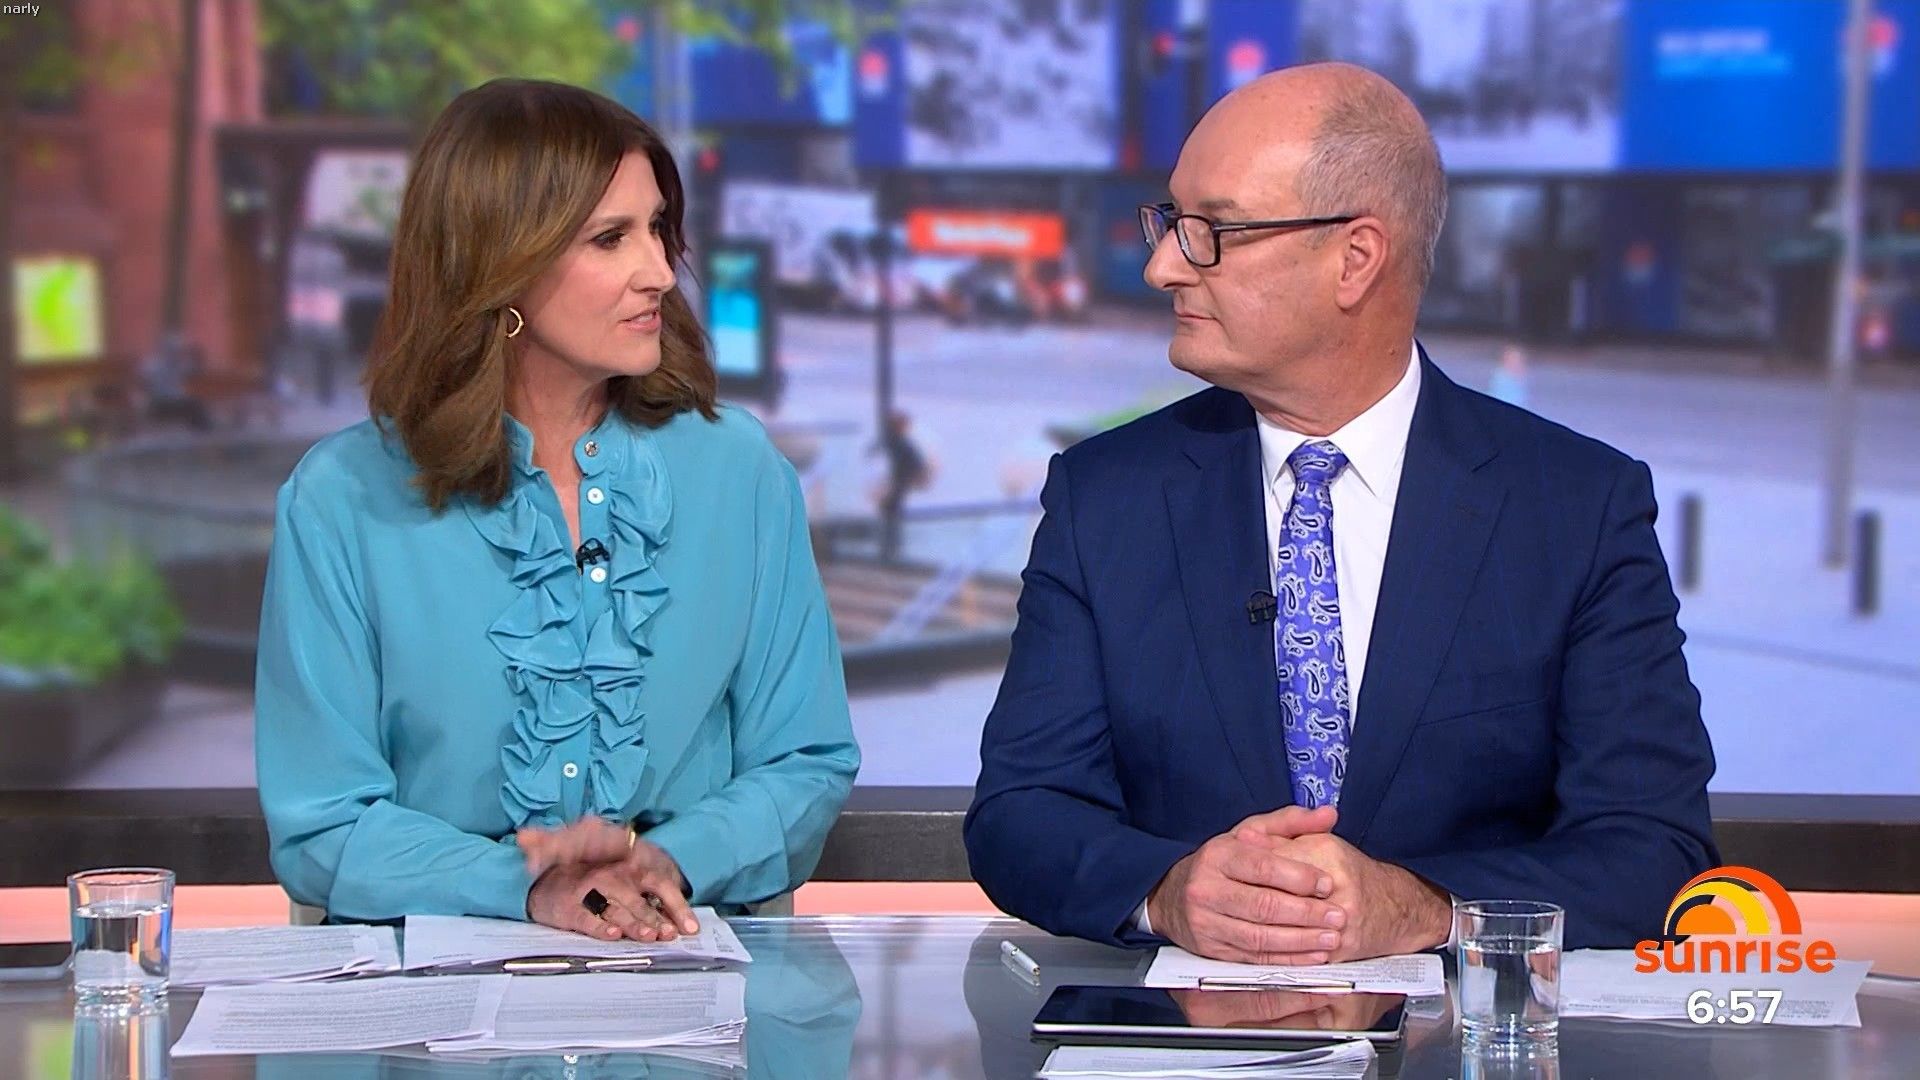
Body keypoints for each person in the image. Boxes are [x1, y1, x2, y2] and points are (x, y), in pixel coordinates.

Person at [964, 63, 1716, 962]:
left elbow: (1653, 850)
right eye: (1168, 222)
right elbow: (1021, 814)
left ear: (1355, 259)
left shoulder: (1576, 507)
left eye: (1211, 231)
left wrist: (1421, 909)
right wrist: (1166, 892)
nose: (1163, 266)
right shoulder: (1104, 498)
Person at [254, 79, 859, 940]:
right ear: (498, 263)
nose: (660, 272)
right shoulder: (340, 500)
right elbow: (323, 825)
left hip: (680, 970)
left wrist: (668, 861)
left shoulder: (741, 473)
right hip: (434, 991)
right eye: (610, 239)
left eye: (658, 228)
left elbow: (806, 760)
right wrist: (525, 885)